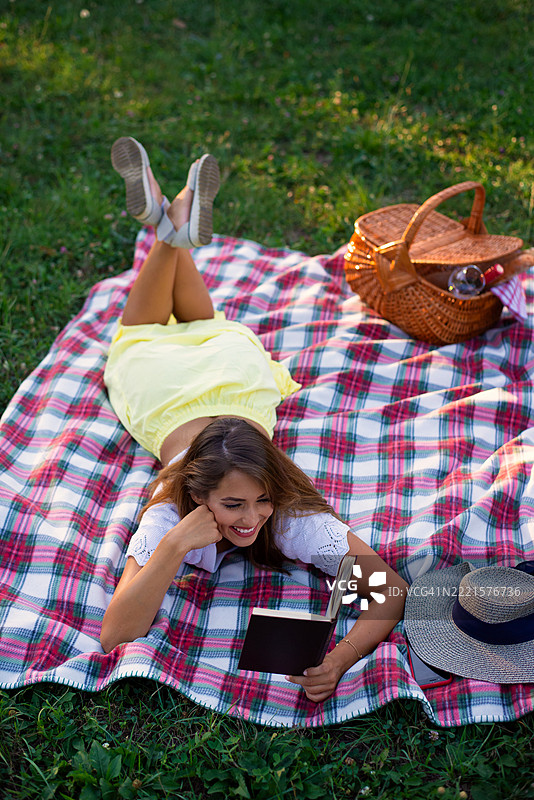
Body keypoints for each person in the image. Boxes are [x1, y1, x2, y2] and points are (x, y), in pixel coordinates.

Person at [100, 137, 408, 702]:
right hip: (180, 387)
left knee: (172, 331)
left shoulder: (287, 516)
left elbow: (387, 591)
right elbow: (115, 633)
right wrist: (173, 545)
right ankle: (172, 222)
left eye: (261, 500)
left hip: (227, 378)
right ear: (198, 494)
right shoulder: (171, 512)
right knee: (157, 333)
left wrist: (339, 659)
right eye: (234, 505)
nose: (253, 518)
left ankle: (169, 224)